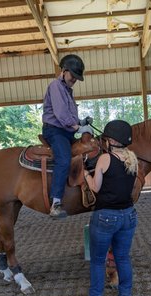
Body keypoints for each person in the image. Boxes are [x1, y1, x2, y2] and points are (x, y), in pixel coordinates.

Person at [80, 120, 138, 296]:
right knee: (123, 258)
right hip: (128, 215)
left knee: (97, 261)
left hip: (106, 216)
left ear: (112, 140)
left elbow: (95, 188)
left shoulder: (105, 159)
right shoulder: (133, 159)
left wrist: (86, 174)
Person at [42, 54, 93, 218]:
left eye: (77, 78)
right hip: (55, 131)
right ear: (64, 71)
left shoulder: (67, 90)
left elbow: (69, 115)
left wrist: (81, 121)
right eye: (73, 76)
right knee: (64, 160)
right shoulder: (56, 86)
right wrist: (78, 127)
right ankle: (55, 203)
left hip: (66, 130)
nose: (74, 80)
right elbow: (61, 114)